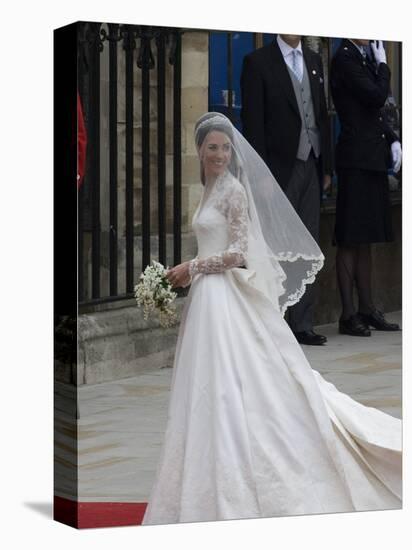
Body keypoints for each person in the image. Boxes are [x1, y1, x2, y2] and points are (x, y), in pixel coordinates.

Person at [141, 112, 401, 526]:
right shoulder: (206, 191)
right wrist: (190, 272)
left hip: (223, 295)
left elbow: (240, 253)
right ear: (199, 151)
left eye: (226, 147)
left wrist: (192, 266)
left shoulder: (233, 192)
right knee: (206, 385)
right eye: (213, 147)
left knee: (236, 383)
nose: (221, 154)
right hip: (207, 301)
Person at [240, 34, 331, 346]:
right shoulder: (257, 62)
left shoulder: (315, 60)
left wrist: (327, 167)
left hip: (312, 163)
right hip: (278, 169)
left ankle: (303, 323)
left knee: (307, 244)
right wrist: (260, 172)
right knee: (276, 245)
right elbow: (252, 121)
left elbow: (321, 114)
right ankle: (273, 321)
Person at [331, 39, 402, 336]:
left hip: (372, 156)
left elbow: (376, 112)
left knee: (367, 236)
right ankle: (348, 313)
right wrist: (384, 66)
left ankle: (367, 308)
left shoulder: (364, 57)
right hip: (356, 158)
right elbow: (375, 97)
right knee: (351, 237)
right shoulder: (346, 58)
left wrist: (392, 137)